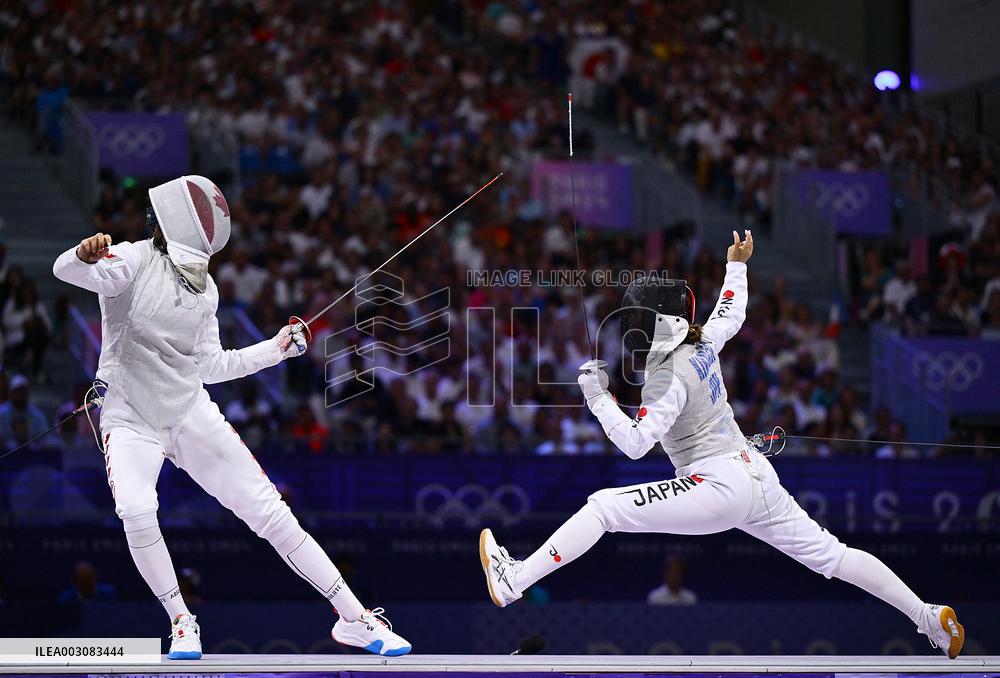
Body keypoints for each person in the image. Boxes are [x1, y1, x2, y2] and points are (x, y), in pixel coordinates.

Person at [479, 230, 965, 659]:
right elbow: (730, 310)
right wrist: (736, 264)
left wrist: (597, 397)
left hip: (717, 484)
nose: (631, 324)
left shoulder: (666, 377)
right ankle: (928, 617)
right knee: (833, 557)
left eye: (638, 317)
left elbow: (635, 444)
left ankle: (514, 581)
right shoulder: (702, 341)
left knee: (603, 508)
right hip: (756, 474)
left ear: (655, 324)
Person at [53, 175, 410, 659]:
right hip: (130, 417)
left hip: (188, 411)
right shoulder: (132, 260)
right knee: (135, 509)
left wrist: (276, 350)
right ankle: (182, 621)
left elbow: (210, 366)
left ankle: (355, 619)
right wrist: (83, 254)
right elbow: (65, 271)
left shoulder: (207, 292)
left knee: (271, 513)